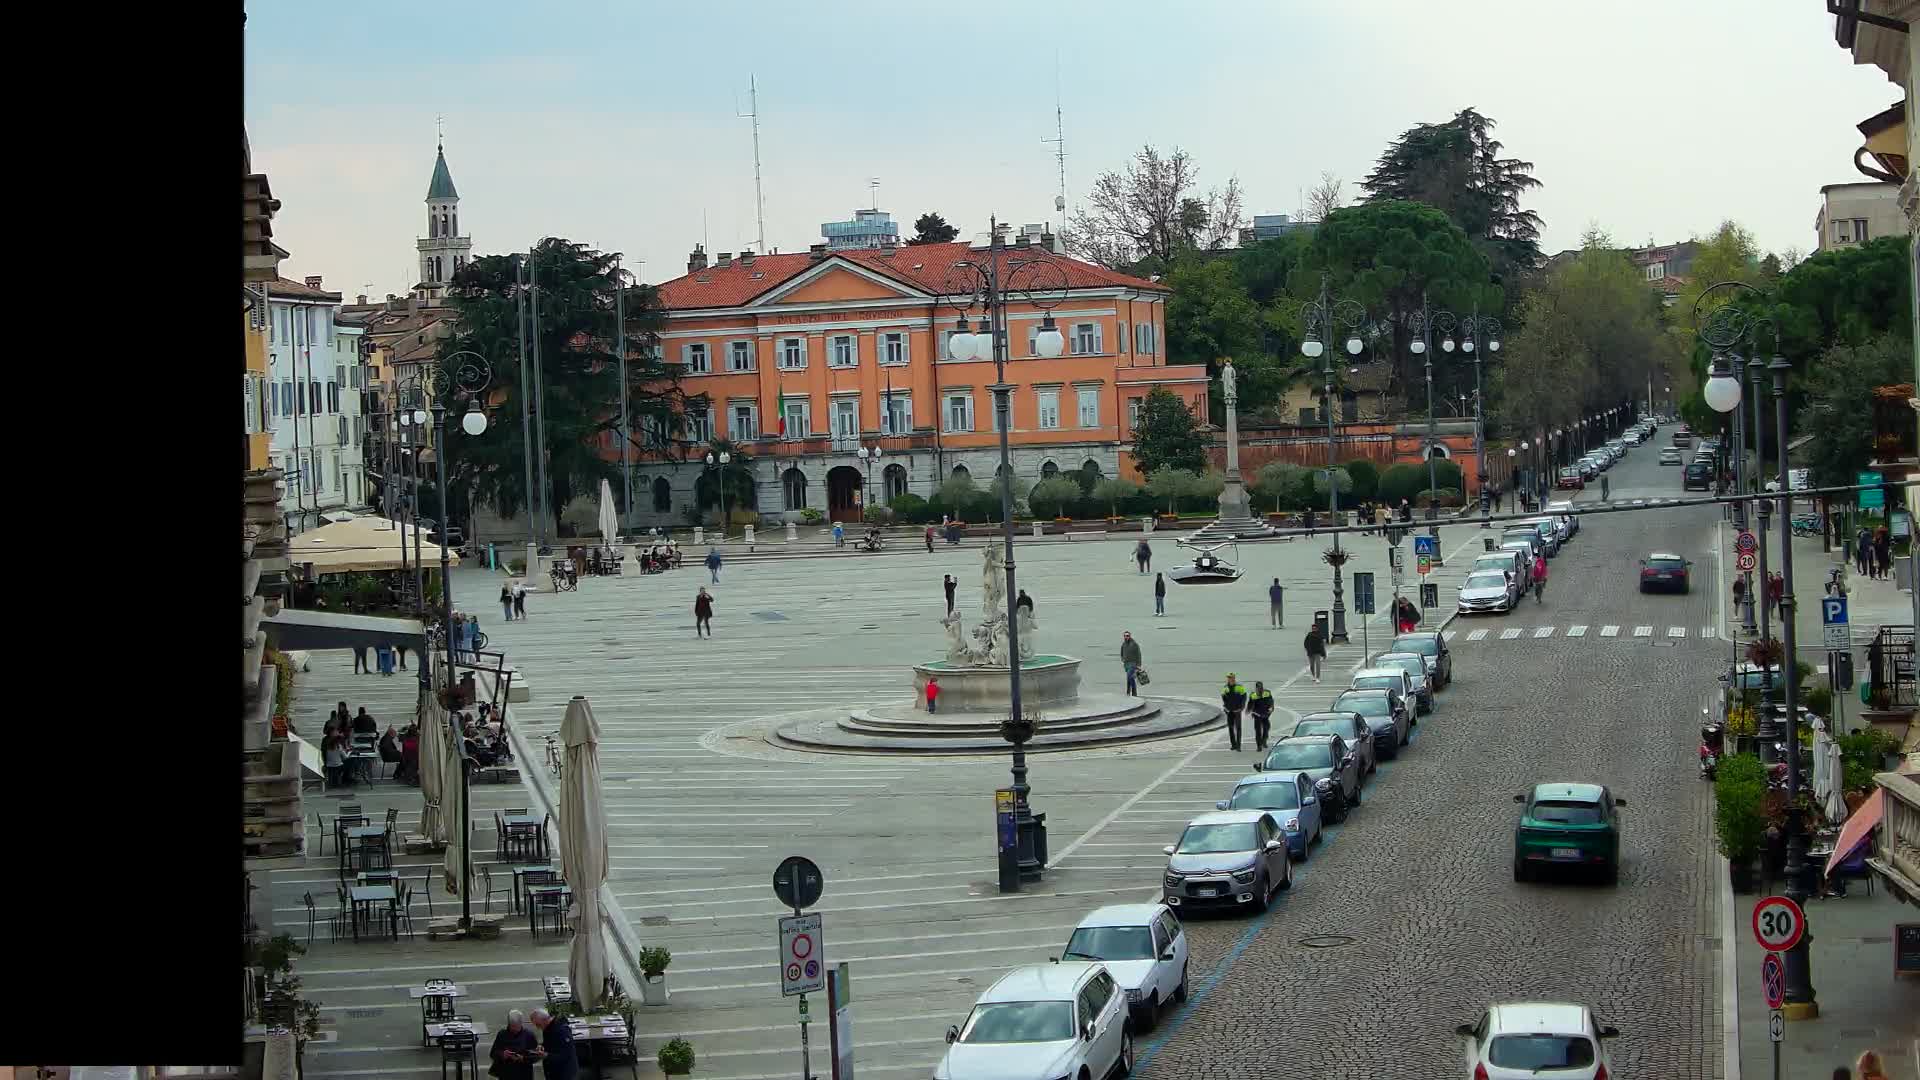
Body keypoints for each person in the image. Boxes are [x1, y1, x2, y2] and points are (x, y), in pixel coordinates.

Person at [529, 1008, 579, 1080]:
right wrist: (542, 1046)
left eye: (538, 1024)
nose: (538, 1027)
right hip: (552, 1071)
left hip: (564, 1073)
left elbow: (567, 1054)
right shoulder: (547, 1028)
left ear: (545, 1019)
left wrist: (547, 1055)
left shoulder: (561, 1030)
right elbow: (550, 1043)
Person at [490, 1010, 539, 1080]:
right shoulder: (502, 1034)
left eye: (516, 1027)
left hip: (524, 1073)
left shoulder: (529, 1035)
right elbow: (493, 1053)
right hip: (506, 1073)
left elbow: (536, 1055)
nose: (514, 1029)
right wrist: (503, 1054)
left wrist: (523, 1058)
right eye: (512, 1027)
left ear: (521, 1023)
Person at [1220, 673, 1248, 752]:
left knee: (1238, 728)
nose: (1230, 679)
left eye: (1231, 678)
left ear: (1234, 678)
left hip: (1237, 711)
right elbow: (1223, 698)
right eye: (1228, 678)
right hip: (1229, 711)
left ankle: (1238, 746)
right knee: (1231, 728)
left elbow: (1244, 697)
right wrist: (1225, 707)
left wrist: (1241, 708)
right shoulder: (1225, 688)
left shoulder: (1239, 687)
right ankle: (1233, 745)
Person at [1248, 680, 1275, 751]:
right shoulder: (1253, 695)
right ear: (1256, 688)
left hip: (1265, 714)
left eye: (1261, 687)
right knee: (1258, 731)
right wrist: (1249, 711)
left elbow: (1271, 701)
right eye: (1258, 688)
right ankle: (1259, 746)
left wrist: (1271, 708)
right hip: (1257, 715)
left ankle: (1264, 740)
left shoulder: (1267, 693)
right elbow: (1250, 704)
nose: (1260, 689)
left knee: (1267, 728)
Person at [1120, 631, 1143, 696]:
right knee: (1129, 678)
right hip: (1126, 664)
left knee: (1130, 677)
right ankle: (1128, 693)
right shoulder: (1123, 644)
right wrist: (1122, 659)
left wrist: (1139, 665)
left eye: (1127, 636)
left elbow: (1138, 655)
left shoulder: (1134, 644)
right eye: (1125, 636)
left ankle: (1134, 693)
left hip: (1133, 664)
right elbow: (1121, 653)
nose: (1126, 637)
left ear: (1130, 636)